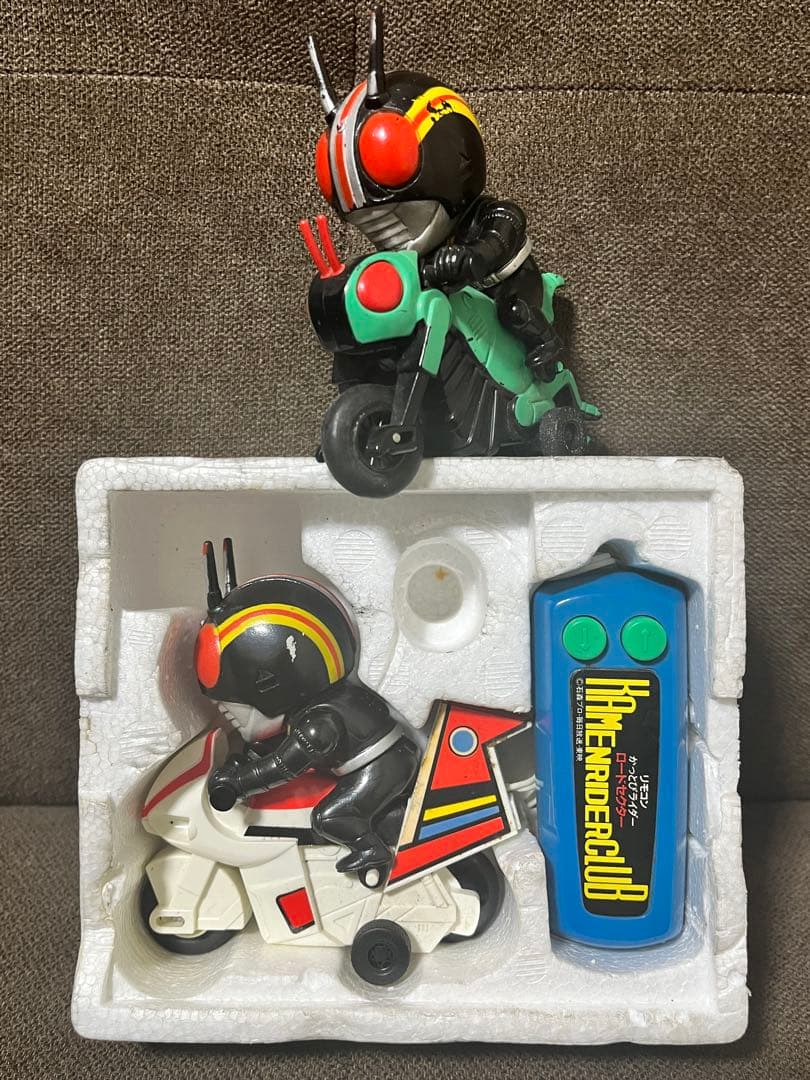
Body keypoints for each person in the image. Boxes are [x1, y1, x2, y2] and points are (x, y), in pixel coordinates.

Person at [196, 539, 419, 880]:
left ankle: (371, 850)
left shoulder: (318, 726)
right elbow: (276, 749)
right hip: (389, 758)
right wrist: (249, 760)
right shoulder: (314, 709)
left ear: (269, 682)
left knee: (329, 818)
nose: (226, 712)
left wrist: (239, 784)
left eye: (232, 704)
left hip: (385, 767)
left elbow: (283, 766)